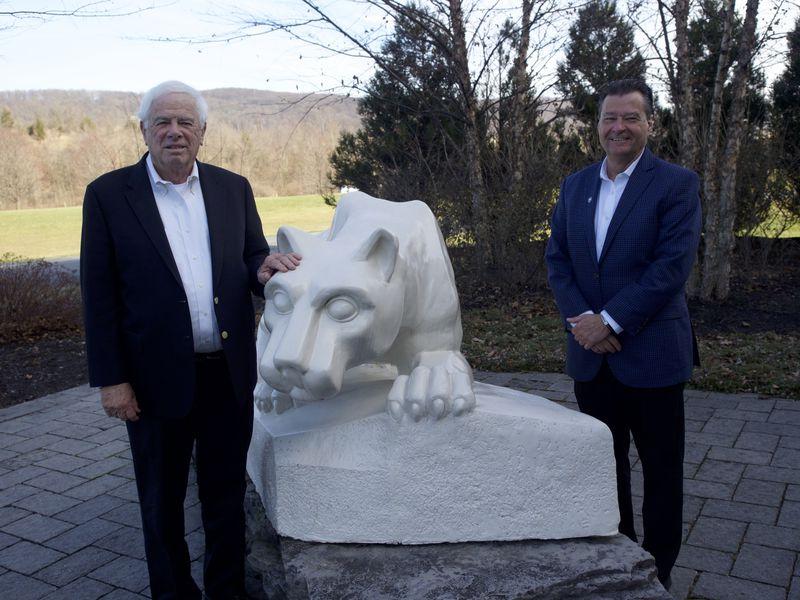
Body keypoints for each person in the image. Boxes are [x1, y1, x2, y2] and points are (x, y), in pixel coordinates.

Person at [80, 80, 300, 600]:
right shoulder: (109, 196)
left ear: (203, 132)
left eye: (185, 123)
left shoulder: (233, 187)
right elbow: (99, 297)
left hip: (227, 374)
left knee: (224, 497)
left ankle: (226, 591)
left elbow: (250, 259)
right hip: (154, 383)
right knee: (161, 502)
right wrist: (113, 381)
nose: (174, 132)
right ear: (144, 130)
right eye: (163, 122)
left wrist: (263, 268)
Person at [545, 79, 701, 589]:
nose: (620, 127)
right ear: (597, 126)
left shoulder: (676, 183)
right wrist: (582, 324)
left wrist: (608, 320)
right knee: (603, 468)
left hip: (652, 355)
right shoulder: (575, 185)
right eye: (610, 118)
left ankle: (658, 574)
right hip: (593, 359)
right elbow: (558, 260)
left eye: (631, 117)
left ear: (651, 123)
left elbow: (670, 268)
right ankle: (616, 564)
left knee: (661, 474)